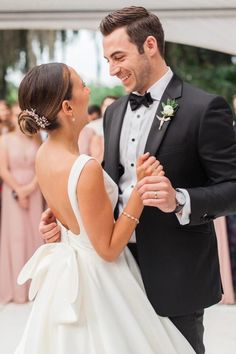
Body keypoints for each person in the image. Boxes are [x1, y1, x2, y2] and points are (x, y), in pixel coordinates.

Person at [41, 7, 236, 354]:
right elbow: (104, 184)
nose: (112, 69)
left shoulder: (204, 108)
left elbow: (232, 187)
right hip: (116, 274)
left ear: (150, 45)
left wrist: (179, 199)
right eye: (107, 59)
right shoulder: (114, 112)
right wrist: (69, 220)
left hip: (177, 277)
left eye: (118, 57)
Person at [14, 62, 195, 354]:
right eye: (81, 85)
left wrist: (57, 224)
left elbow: (68, 212)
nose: (88, 90)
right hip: (101, 283)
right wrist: (141, 188)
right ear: (67, 108)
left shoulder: (43, 154)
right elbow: (108, 249)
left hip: (67, 277)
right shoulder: (84, 168)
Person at [0, 102, 43, 303]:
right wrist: (19, 190)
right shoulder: (5, 140)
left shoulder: (37, 139)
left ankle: (35, 287)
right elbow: (3, 170)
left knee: (35, 234)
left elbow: (42, 166)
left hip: (35, 191)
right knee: (16, 236)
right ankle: (17, 290)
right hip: (12, 192)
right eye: (17, 114)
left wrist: (30, 189)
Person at [79, 96, 118, 162]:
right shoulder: (90, 127)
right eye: (106, 105)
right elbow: (82, 153)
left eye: (113, 106)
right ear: (101, 107)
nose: (109, 108)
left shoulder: (124, 128)